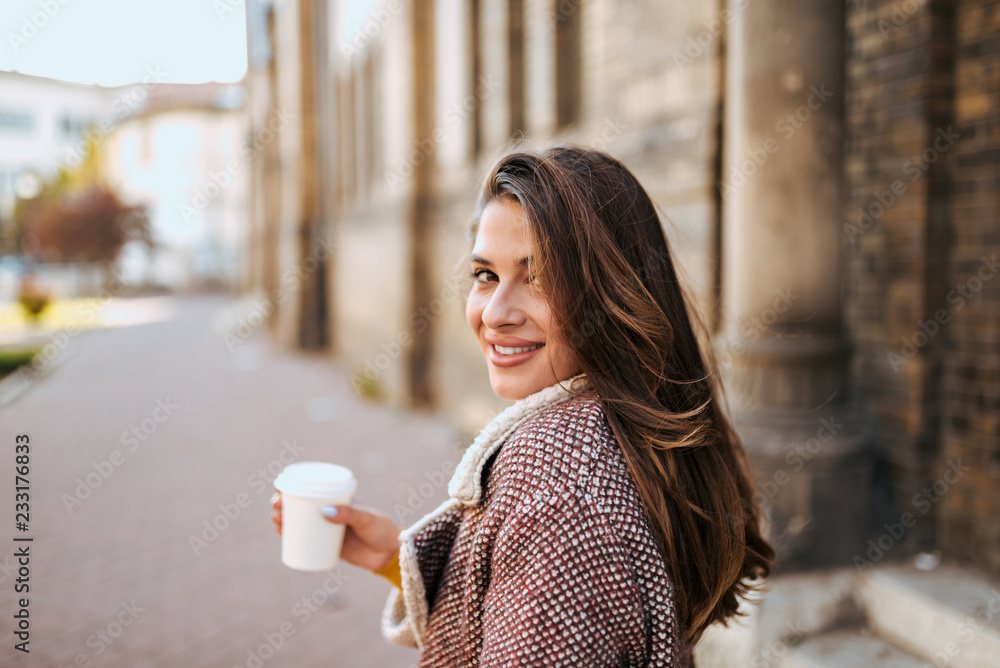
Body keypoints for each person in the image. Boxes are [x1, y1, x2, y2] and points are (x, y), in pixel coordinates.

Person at [272, 146, 774, 666]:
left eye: (540, 276)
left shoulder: (556, 484)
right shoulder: (622, 434)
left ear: (613, 292)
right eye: (485, 275)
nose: (495, 312)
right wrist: (393, 560)